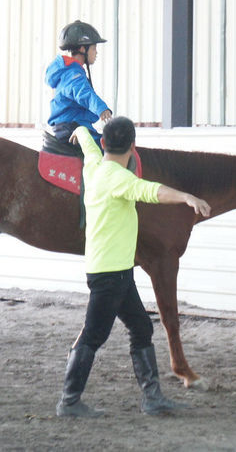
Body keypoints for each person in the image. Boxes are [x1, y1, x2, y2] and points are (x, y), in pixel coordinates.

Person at [56, 117, 212, 418]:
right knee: (93, 335)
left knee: (141, 327)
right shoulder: (118, 179)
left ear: (104, 143)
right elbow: (151, 191)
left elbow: (88, 147)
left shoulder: (95, 167)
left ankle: (152, 397)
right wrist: (186, 197)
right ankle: (69, 401)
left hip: (117, 271)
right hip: (110, 275)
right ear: (133, 146)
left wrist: (79, 130)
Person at [46, 20, 113, 144]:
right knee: (107, 150)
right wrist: (101, 109)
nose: (96, 52)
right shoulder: (73, 73)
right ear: (83, 49)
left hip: (71, 124)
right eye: (93, 48)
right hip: (73, 126)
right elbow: (84, 93)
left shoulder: (70, 71)